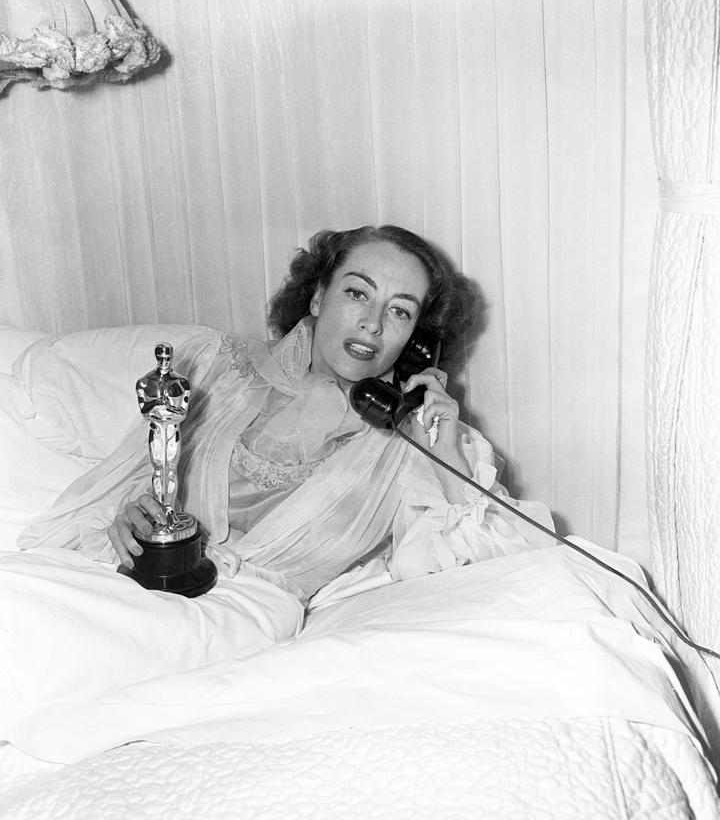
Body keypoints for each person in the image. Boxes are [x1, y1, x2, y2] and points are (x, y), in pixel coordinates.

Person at [21, 225, 555, 607]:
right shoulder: (213, 367)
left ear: (418, 339)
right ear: (318, 297)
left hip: (241, 616)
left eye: (399, 311)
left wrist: (442, 447)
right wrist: (130, 519)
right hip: (135, 582)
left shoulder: (415, 442)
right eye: (357, 293)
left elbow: (501, 565)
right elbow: (116, 491)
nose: (372, 324)